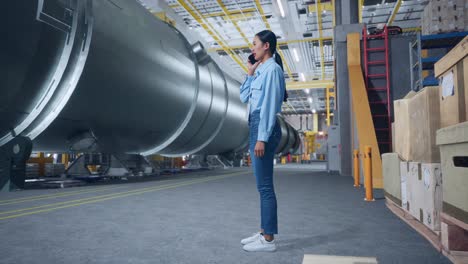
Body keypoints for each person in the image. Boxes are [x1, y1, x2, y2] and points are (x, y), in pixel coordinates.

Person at [239, 30, 287, 252]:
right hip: (256, 124)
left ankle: (268, 240)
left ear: (266, 46)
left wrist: (262, 138)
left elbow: (268, 107)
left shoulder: (273, 71)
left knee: (265, 187)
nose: (252, 48)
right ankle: (263, 231)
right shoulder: (260, 71)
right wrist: (250, 72)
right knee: (262, 186)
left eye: (255, 44)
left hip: (263, 127)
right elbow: (243, 97)